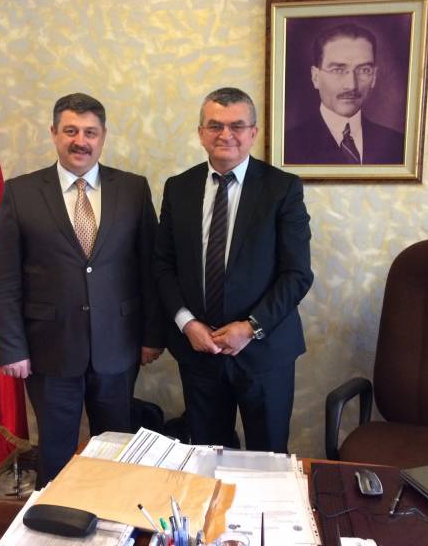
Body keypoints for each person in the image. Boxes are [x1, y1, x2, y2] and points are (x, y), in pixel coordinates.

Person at [0, 93, 162, 486]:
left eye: (90, 132)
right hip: (49, 349)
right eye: (70, 131)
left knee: (116, 449)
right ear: (54, 133)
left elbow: (149, 269)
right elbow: (4, 278)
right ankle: (54, 515)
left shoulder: (133, 189)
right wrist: (12, 347)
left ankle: (111, 515)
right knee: (55, 450)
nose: (80, 141)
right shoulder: (21, 192)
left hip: (118, 345)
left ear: (103, 136)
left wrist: (152, 336)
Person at [153, 87, 313, 453]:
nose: (226, 134)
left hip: (265, 350)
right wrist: (187, 323)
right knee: (208, 457)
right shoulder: (178, 188)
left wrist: (250, 327)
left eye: (237, 125)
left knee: (268, 457)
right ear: (201, 133)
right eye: (215, 125)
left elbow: (297, 274)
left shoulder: (282, 188)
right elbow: (163, 265)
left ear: (253, 132)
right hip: (199, 350)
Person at [284, 23, 405, 165]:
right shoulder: (286, 147)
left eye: (364, 70)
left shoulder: (398, 145)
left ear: (374, 77)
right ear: (315, 77)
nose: (351, 85)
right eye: (338, 70)